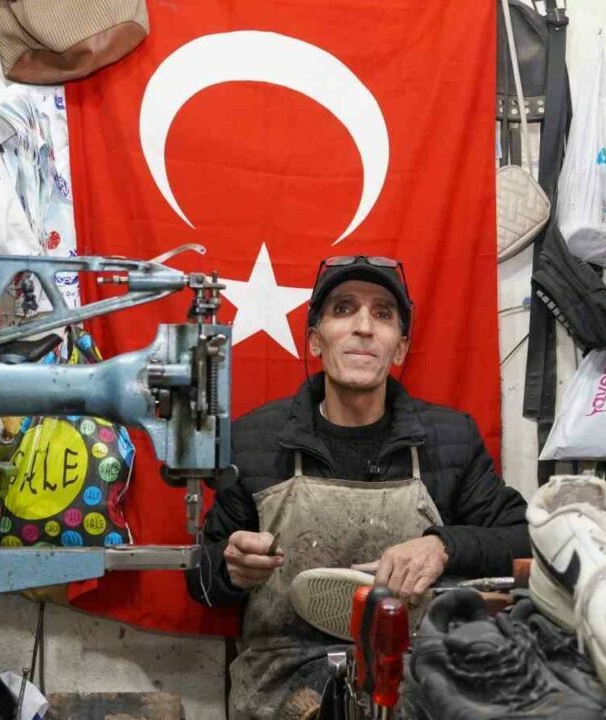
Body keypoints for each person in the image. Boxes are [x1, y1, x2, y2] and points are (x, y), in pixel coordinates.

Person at [186, 255, 531, 720]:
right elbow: (200, 581)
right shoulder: (255, 441)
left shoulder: (448, 439)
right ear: (315, 340)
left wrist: (442, 546)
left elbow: (523, 538)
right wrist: (230, 569)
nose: (364, 327)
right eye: (344, 309)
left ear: (400, 349)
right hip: (280, 685)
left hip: (414, 675)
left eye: (383, 314)